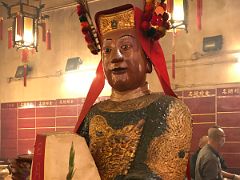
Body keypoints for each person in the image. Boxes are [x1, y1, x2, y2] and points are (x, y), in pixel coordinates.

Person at [74, 1, 192, 180]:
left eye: (126, 47)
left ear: (148, 61)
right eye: (107, 50)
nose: (115, 57)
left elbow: (154, 174)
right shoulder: (93, 114)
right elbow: (72, 166)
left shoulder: (168, 109)